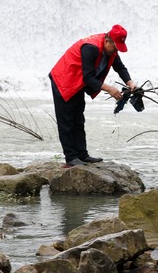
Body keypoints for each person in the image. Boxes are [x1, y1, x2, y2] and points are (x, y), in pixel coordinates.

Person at [49, 25, 136, 167]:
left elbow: (120, 67)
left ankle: (82, 155)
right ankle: (71, 158)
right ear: (107, 40)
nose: (115, 51)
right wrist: (109, 89)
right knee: (66, 121)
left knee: (78, 119)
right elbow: (88, 77)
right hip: (63, 80)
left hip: (78, 83)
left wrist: (130, 82)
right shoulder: (90, 48)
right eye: (115, 47)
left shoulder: (111, 49)